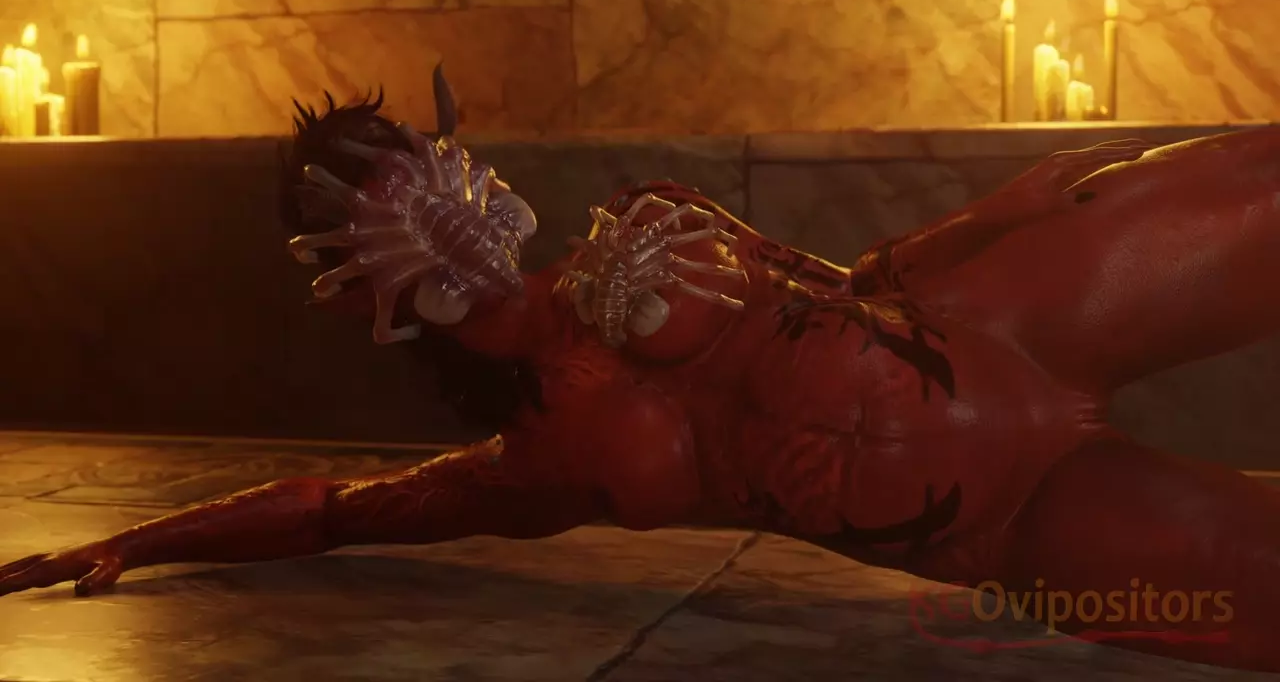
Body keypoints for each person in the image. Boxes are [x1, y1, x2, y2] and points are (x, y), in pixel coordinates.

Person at [3, 73, 1278, 673]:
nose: (420, 199)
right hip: (1002, 520)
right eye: (369, 205)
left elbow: (846, 282)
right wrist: (142, 538)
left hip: (1002, 313)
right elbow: (336, 512)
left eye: (407, 161)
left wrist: (988, 217)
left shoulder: (651, 215)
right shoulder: (534, 464)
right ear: (354, 281)